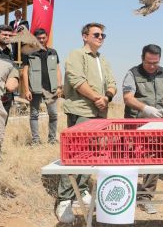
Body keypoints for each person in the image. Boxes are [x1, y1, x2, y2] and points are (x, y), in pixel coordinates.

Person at [55, 23, 116, 224]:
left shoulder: (103, 59)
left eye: (103, 35)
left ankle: (80, 190)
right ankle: (64, 199)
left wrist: (106, 98)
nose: (101, 37)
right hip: (82, 111)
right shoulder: (76, 55)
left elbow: (112, 83)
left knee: (91, 153)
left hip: (100, 112)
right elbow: (76, 80)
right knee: (75, 154)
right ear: (84, 36)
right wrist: (97, 98)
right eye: (96, 34)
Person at [122, 44, 163, 214]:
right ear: (142, 58)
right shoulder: (132, 73)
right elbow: (128, 98)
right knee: (131, 159)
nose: (152, 66)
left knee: (154, 158)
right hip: (135, 123)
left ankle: (145, 197)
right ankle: (124, 194)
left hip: (157, 124)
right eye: (148, 63)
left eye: (155, 63)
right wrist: (145, 108)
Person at [21, 28, 62, 145]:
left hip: (51, 88)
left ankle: (52, 139)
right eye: (39, 38)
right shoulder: (28, 53)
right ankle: (35, 140)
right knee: (34, 115)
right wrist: (26, 90)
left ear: (47, 38)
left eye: (43, 38)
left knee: (53, 114)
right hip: (35, 88)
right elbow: (25, 72)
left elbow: (58, 70)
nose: (42, 40)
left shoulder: (53, 52)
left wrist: (59, 86)